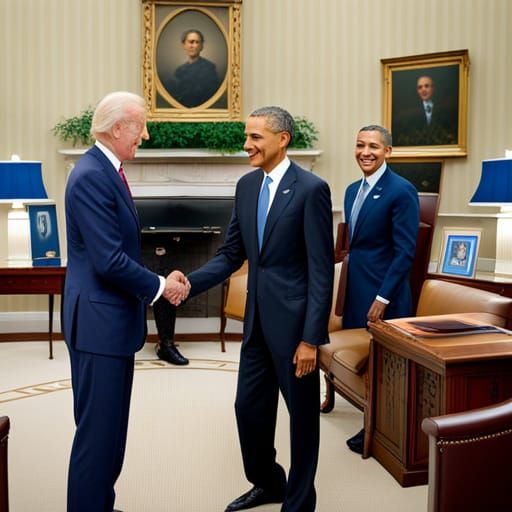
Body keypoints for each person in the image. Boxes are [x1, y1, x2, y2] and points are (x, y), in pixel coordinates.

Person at [185, 106, 334, 511]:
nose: (246, 145)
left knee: (302, 420)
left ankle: (300, 501)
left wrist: (310, 339)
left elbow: (322, 272)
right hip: (256, 327)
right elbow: (232, 253)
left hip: (295, 330)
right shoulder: (247, 186)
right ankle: (268, 482)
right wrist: (188, 282)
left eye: (255, 137)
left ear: (282, 139)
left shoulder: (311, 189)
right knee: (248, 410)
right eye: (246, 136)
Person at [62, 91, 190, 512]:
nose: (146, 134)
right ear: (118, 128)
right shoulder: (92, 175)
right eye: (140, 126)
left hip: (109, 324)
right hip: (99, 326)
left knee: (110, 434)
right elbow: (109, 260)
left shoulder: (106, 169)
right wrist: (160, 287)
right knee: (97, 439)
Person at [343, 125, 419, 454]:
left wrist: (382, 297)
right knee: (367, 359)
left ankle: (380, 429)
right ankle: (371, 418)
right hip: (356, 287)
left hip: (385, 295)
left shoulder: (402, 191)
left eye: (374, 146)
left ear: (388, 151)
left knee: (386, 366)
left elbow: (405, 252)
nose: (365, 152)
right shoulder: (349, 190)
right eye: (360, 145)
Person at [393, 75, 458, 146]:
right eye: (420, 87)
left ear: (433, 88)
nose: (423, 90)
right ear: (417, 91)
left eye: (427, 86)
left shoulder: (443, 109)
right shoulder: (411, 112)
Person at [166, 29, 220, 108]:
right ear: (183, 45)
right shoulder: (179, 71)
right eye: (191, 42)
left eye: (197, 42)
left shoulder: (209, 68)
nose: (194, 46)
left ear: (201, 46)